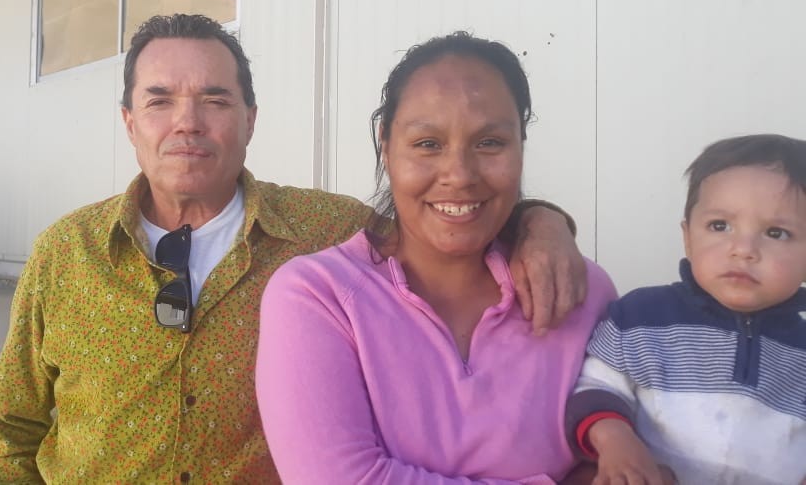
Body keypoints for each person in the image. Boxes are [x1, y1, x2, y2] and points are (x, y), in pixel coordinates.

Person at [0, 14, 588, 483]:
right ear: (130, 122)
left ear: (250, 119)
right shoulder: (66, 254)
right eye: (159, 101)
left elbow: (445, 216)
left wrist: (539, 222)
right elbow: (8, 429)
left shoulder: (330, 236)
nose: (187, 122)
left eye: (215, 100)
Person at [254, 31, 618, 484]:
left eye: (490, 143)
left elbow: (632, 457)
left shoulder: (579, 290)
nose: (459, 175)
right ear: (386, 146)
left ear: (521, 147)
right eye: (428, 143)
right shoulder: (317, 296)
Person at [565, 134, 806, 485]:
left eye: (776, 233)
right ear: (688, 237)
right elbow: (595, 386)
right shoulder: (641, 318)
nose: (743, 249)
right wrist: (614, 440)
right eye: (720, 226)